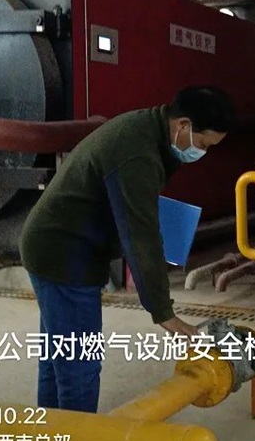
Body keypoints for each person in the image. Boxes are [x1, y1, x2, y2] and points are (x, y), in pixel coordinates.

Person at [19, 86, 236, 413]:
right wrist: (163, 312)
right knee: (79, 366)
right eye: (204, 144)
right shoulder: (138, 153)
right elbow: (141, 238)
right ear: (183, 125)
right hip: (64, 254)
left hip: (58, 243)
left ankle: (52, 438)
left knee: (58, 357)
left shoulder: (149, 130)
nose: (202, 153)